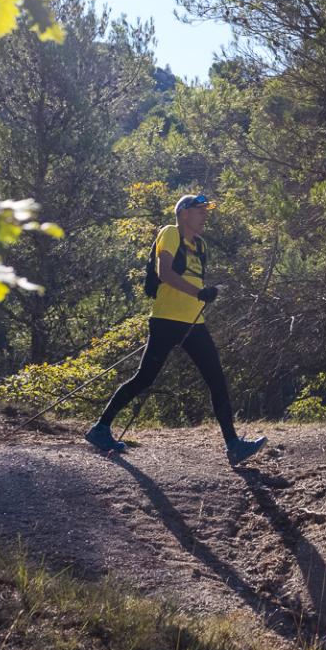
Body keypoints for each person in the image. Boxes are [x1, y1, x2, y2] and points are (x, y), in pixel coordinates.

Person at [84, 194, 267, 463]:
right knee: (144, 378)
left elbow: (195, 283)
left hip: (194, 323)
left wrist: (207, 294)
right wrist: (200, 292)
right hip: (166, 320)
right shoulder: (170, 232)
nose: (205, 215)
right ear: (184, 213)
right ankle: (100, 429)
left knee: (217, 380)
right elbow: (165, 273)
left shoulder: (201, 246)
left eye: (206, 211)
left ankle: (233, 445)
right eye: (200, 211)